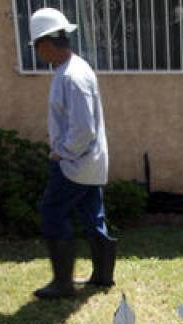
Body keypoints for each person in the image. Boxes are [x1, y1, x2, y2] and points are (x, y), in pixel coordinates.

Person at [29, 7, 114, 299]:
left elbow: (83, 128)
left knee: (52, 212)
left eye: (37, 46)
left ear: (47, 43)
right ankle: (103, 277)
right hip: (89, 163)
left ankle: (63, 284)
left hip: (74, 163)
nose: (38, 53)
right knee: (93, 215)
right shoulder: (76, 68)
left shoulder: (71, 76)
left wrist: (61, 153)